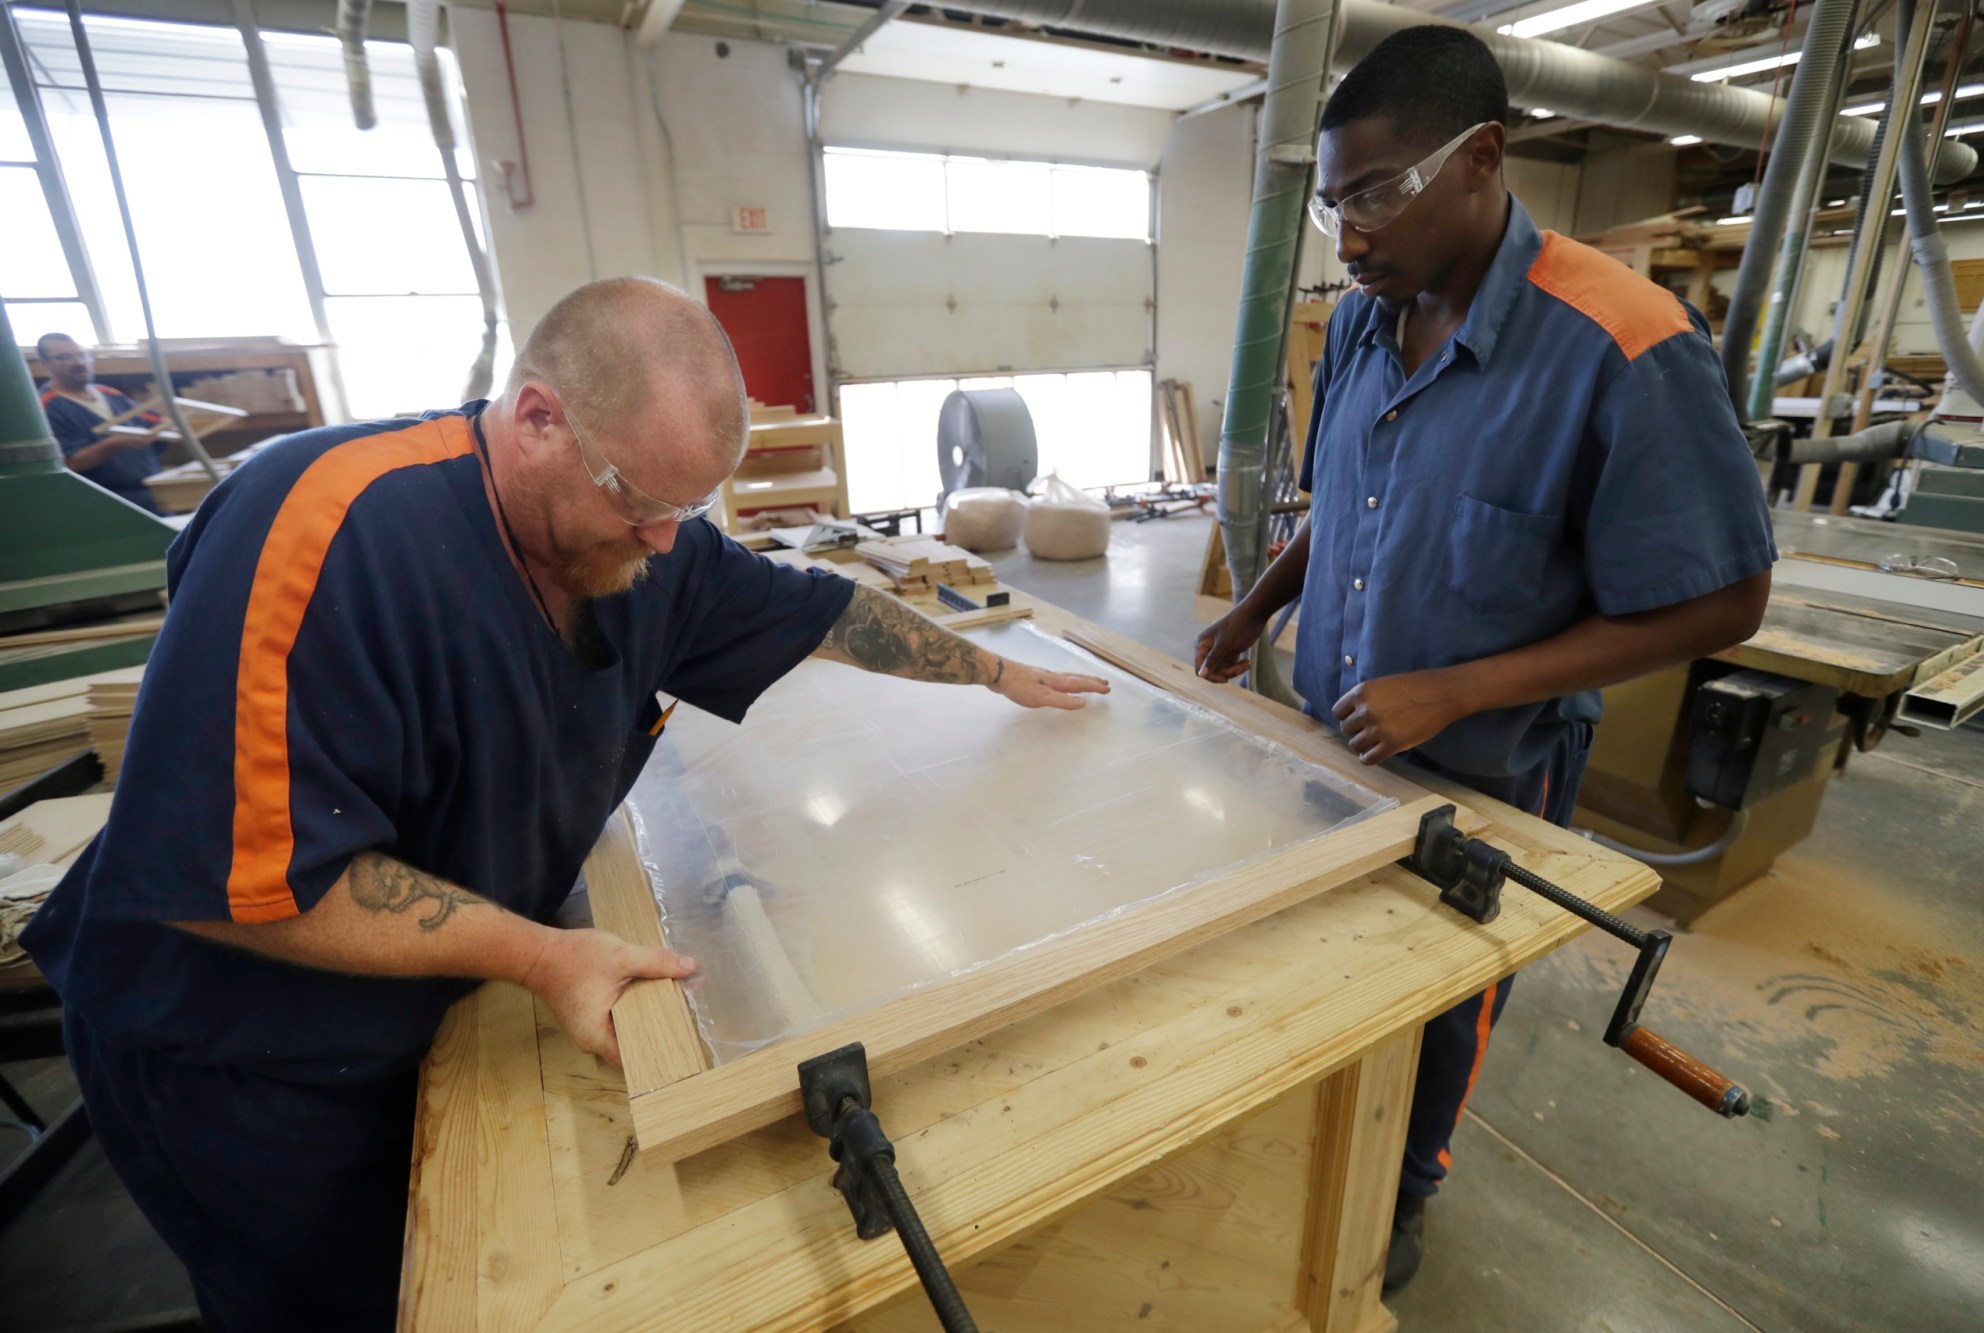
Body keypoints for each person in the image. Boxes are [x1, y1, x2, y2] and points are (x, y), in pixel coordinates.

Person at [22, 277, 1109, 1331]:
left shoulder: (648, 552)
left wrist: (989, 670)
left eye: (688, 507)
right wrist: (541, 954)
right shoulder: (324, 528)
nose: (663, 540)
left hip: (407, 1018)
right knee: (337, 1301)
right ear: (537, 416)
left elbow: (822, 612)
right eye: (639, 499)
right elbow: (239, 883)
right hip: (237, 1057)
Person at [1195, 27, 1774, 1293]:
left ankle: (1407, 1188)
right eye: (1334, 202)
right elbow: (1344, 503)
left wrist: (1457, 687)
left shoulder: (1621, 342)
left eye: (1377, 193)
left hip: (1486, 766)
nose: (1348, 234)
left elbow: (1725, 597)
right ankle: (1329, 1129)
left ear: (1482, 159)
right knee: (1325, 958)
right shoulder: (1363, 324)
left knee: (1444, 1000)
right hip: (1335, 733)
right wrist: (1256, 610)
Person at [36, 333, 169, 513]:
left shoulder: (110, 394)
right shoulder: (46, 406)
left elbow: (154, 421)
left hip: (154, 492)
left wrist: (170, 427)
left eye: (81, 355)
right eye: (65, 358)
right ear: (45, 363)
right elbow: (69, 463)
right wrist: (113, 444)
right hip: (104, 503)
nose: (78, 363)